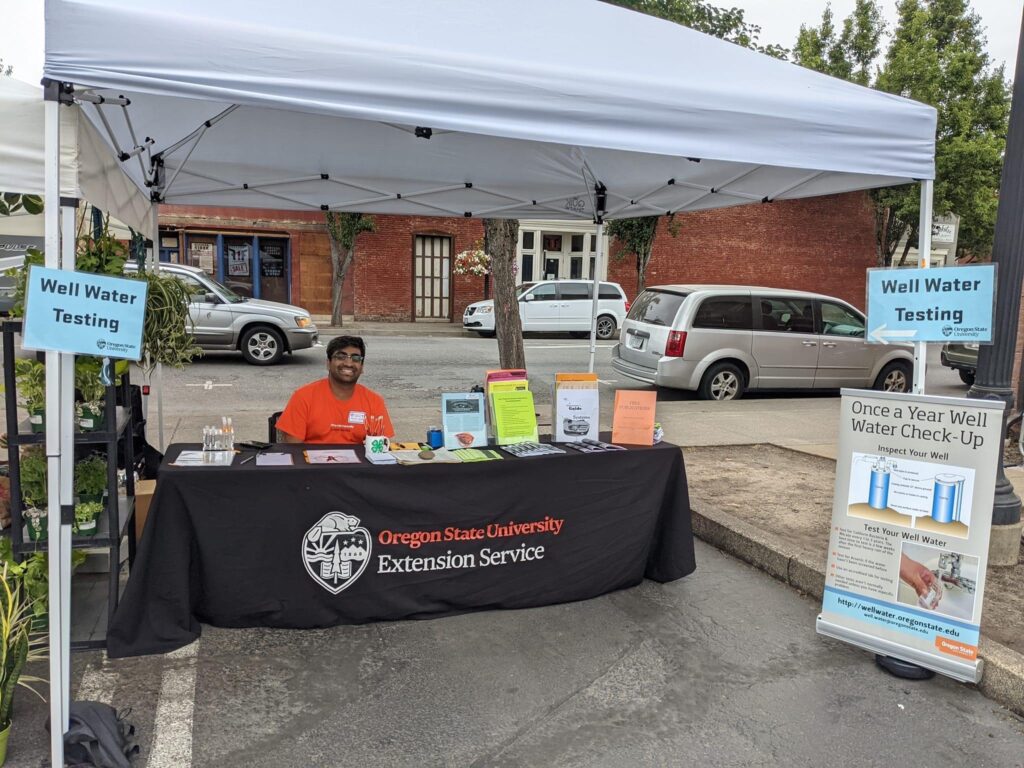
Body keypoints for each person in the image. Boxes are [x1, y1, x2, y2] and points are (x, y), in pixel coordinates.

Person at [276, 335, 394, 444]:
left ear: (362, 367)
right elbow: (292, 452)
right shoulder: (303, 397)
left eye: (356, 358)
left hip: (358, 466)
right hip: (312, 465)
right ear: (328, 363)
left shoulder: (374, 401)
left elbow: (380, 450)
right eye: (341, 357)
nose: (348, 363)